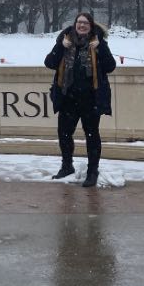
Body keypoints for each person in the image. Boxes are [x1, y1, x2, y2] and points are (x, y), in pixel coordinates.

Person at [44, 12, 116, 187]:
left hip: (91, 99)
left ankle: (92, 171)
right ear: (74, 24)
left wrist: (99, 48)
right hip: (68, 97)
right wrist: (61, 47)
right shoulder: (65, 41)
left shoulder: (98, 43)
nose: (81, 25)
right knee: (64, 133)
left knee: (92, 135)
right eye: (79, 22)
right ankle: (67, 166)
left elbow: (110, 67)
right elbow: (49, 63)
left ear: (91, 26)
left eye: (85, 23)